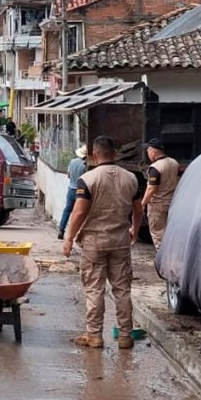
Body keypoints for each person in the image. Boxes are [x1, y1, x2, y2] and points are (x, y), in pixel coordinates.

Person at [62, 136, 143, 350]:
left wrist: (69, 237)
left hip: (94, 243)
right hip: (120, 242)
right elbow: (138, 209)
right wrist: (134, 228)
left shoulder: (88, 180)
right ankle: (125, 336)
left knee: (94, 289)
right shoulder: (132, 179)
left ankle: (95, 335)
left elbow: (79, 212)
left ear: (94, 155)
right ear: (114, 154)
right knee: (122, 289)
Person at [140, 138, 179, 250]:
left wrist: (142, 204)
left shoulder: (155, 168)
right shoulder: (174, 163)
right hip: (171, 203)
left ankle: (163, 261)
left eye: (148, 150)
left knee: (158, 235)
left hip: (157, 206)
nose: (147, 153)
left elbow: (151, 189)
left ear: (154, 151)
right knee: (170, 234)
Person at [58, 146, 87, 240]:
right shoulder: (85, 165)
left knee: (67, 210)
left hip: (71, 189)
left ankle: (61, 229)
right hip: (81, 191)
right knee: (81, 212)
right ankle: (79, 233)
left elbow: (69, 175)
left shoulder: (72, 162)